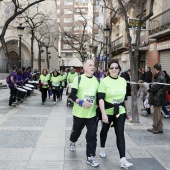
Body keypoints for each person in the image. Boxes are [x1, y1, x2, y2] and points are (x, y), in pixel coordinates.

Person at [97, 60, 133, 169]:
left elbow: (125, 97)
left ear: (119, 69)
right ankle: (102, 147)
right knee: (104, 130)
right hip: (107, 110)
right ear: (108, 70)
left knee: (120, 133)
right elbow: (101, 99)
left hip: (120, 111)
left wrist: (127, 111)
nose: (114, 69)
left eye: (116, 68)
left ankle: (123, 159)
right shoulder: (104, 81)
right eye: (111, 68)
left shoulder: (123, 81)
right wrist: (103, 113)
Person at [69, 59, 99, 167]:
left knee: (92, 135)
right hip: (79, 113)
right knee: (76, 131)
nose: (93, 67)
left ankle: (90, 156)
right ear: (84, 67)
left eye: (93, 65)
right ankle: (72, 141)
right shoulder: (78, 79)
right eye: (90, 65)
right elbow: (72, 95)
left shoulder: (97, 80)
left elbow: (99, 97)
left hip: (91, 114)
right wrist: (81, 102)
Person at [148, 63, 166, 134]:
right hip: (158, 97)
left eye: (153, 69)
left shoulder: (160, 77)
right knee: (158, 114)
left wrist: (149, 89)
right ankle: (160, 128)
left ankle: (155, 128)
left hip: (158, 98)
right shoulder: (160, 76)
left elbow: (155, 87)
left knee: (156, 114)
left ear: (155, 69)